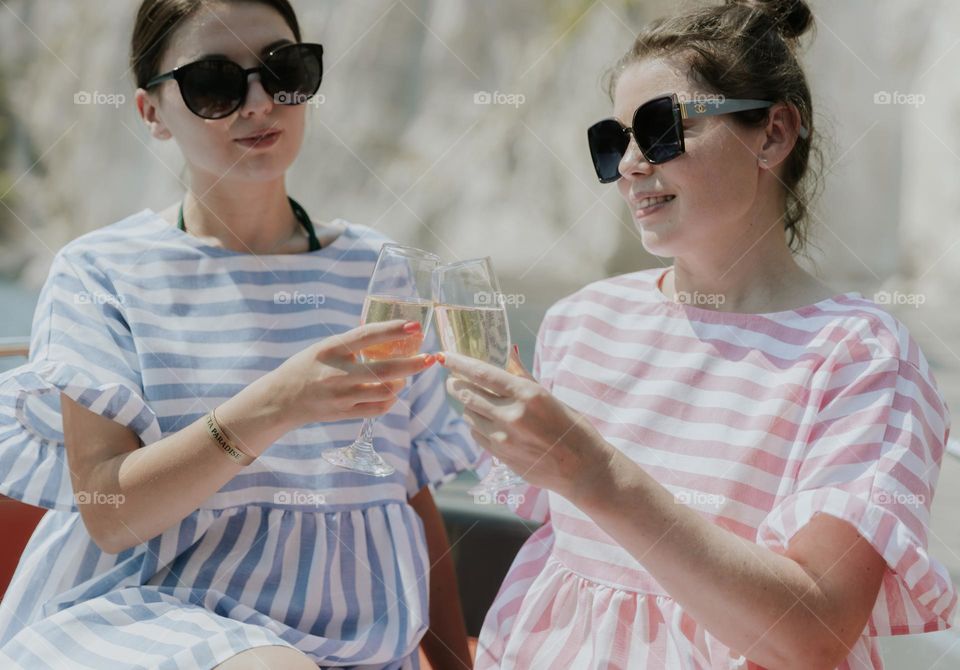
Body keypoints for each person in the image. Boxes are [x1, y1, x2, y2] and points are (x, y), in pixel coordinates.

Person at [440, 0, 957, 667]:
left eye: (659, 129)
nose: (628, 164)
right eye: (612, 140)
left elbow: (813, 634)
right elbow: (555, 561)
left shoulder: (860, 356)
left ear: (772, 135)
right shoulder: (582, 323)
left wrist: (593, 472)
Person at [0, 1, 476, 668]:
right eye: (214, 84)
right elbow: (109, 512)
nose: (258, 103)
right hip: (146, 612)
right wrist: (278, 402)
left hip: (353, 636)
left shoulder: (378, 270)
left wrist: (456, 663)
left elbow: (409, 490)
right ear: (151, 114)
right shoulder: (100, 272)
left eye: (283, 70)